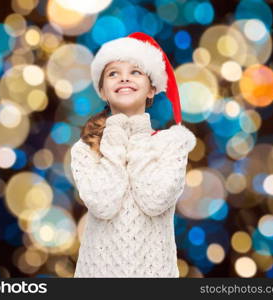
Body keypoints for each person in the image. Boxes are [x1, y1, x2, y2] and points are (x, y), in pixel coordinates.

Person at [70, 32, 196, 277]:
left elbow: (154, 200)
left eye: (135, 71)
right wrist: (116, 135)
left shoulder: (172, 144)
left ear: (151, 89)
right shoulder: (86, 149)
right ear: (103, 91)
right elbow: (104, 205)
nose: (124, 78)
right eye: (113, 73)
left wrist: (137, 134)